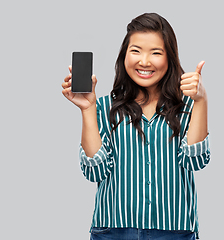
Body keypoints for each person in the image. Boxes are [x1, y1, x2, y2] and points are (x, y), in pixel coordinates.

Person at [62, 13, 210, 240]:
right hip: (113, 231)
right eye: (136, 50)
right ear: (124, 56)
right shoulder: (103, 107)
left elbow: (195, 161)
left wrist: (201, 101)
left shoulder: (188, 105)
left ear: (169, 58)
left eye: (156, 53)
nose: (144, 61)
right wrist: (87, 109)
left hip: (173, 231)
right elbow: (94, 171)